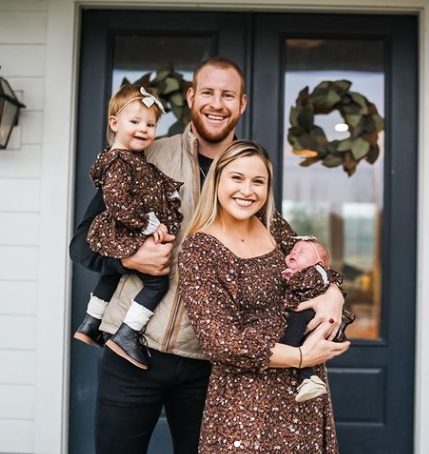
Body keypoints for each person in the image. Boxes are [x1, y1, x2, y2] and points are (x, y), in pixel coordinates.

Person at [69, 57, 345, 454]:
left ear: (242, 104)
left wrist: (332, 288)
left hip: (207, 363)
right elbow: (83, 243)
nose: (217, 104)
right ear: (191, 97)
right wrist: (130, 260)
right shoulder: (147, 154)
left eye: (228, 95)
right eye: (209, 93)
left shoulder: (246, 173)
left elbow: (295, 252)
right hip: (132, 348)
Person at [178, 140, 350, 453]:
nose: (247, 190)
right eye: (237, 178)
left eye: (258, 181)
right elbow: (222, 342)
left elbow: (314, 268)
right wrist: (301, 358)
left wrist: (333, 293)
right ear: (217, 180)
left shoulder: (272, 227)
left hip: (303, 397)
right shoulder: (199, 250)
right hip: (246, 405)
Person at [73, 85, 183, 370]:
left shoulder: (130, 159)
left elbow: (150, 181)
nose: (143, 129)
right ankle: (128, 333)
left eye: (150, 124)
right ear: (114, 123)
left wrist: (169, 192)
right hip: (123, 231)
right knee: (157, 281)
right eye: (134, 122)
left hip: (118, 232)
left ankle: (90, 323)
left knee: (112, 276)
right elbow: (119, 202)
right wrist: (149, 223)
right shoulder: (121, 162)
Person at [280, 237, 356, 402]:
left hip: (312, 315)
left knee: (295, 328)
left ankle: (286, 348)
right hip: (308, 315)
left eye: (302, 252)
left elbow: (321, 283)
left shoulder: (318, 271)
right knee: (304, 347)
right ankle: (308, 379)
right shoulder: (301, 273)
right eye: (293, 251)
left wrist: (293, 277)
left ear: (319, 263)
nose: (295, 252)